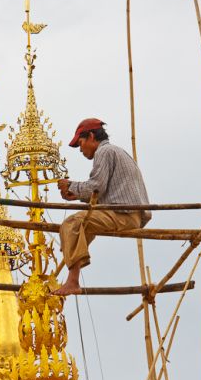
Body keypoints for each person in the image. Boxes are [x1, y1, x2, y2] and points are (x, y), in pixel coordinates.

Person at [54, 118, 151, 296]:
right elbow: (99, 193)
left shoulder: (104, 151)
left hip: (123, 214)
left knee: (71, 224)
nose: (81, 149)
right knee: (81, 227)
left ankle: (72, 281)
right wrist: (75, 193)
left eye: (81, 143)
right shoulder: (115, 151)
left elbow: (96, 186)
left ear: (91, 136)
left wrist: (71, 186)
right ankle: (72, 272)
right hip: (127, 213)